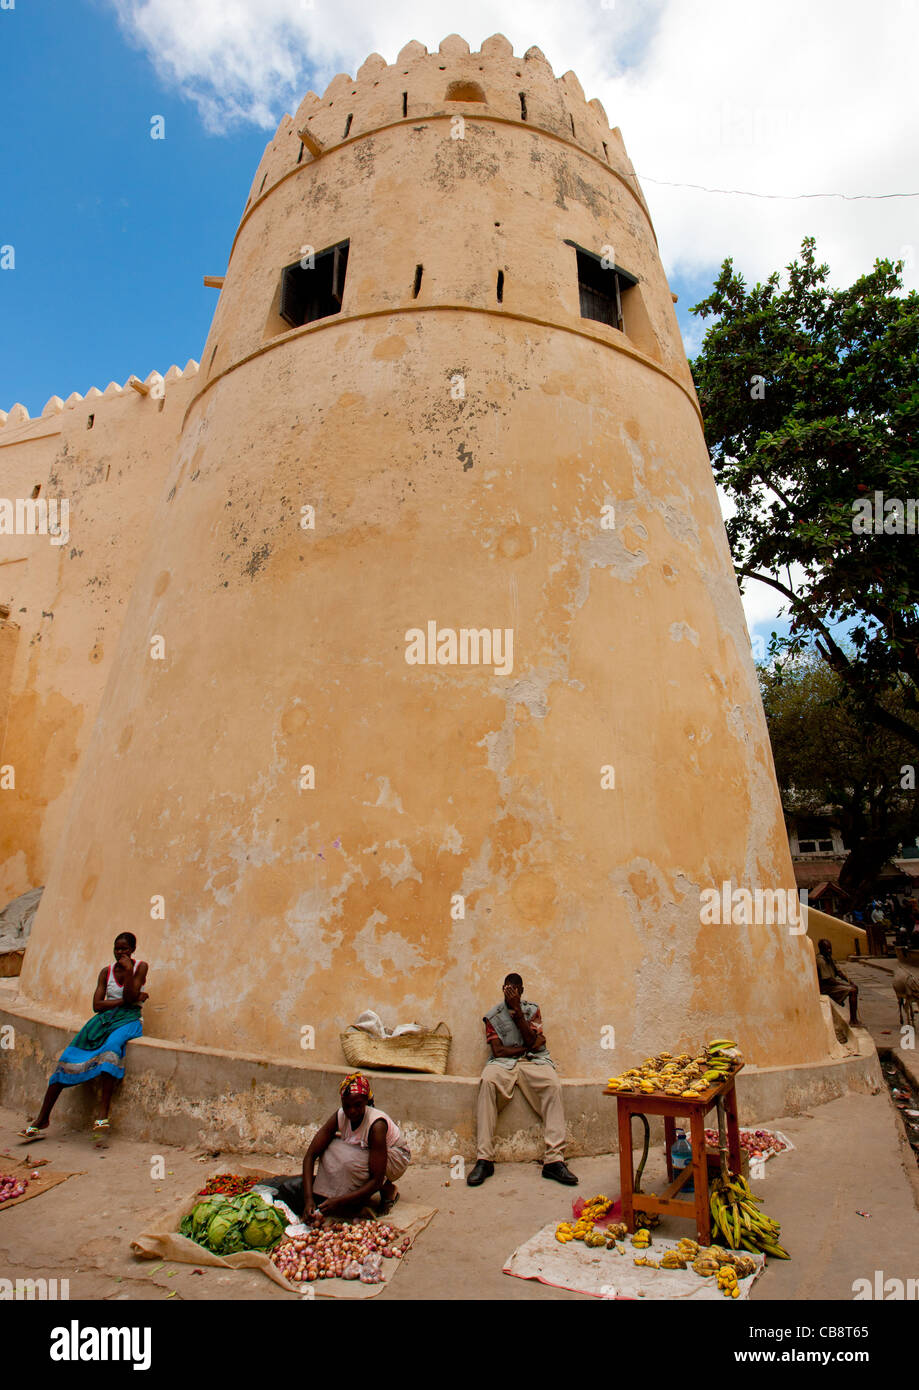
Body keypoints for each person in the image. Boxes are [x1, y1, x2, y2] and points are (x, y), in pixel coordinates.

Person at [18, 933, 148, 1138]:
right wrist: (126, 1001)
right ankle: (42, 1118)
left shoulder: (140, 967)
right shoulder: (106, 972)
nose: (120, 953)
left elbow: (131, 997)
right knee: (69, 1055)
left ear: (132, 950)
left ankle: (103, 1114)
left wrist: (130, 973)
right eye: (117, 949)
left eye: (124, 949)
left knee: (111, 1049)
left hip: (128, 1020)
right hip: (104, 1020)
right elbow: (97, 1005)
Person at [467, 972, 578, 1188]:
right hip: (504, 1063)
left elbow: (534, 1042)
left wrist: (518, 1012)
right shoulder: (493, 1016)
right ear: (503, 989)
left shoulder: (532, 1010)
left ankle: (554, 1161)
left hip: (533, 1062)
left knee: (553, 1085)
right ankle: (484, 1159)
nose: (512, 992)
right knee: (488, 1082)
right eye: (508, 988)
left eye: (516, 989)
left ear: (522, 991)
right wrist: (528, 1046)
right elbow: (499, 1051)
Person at [269, 1073, 411, 1220]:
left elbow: (375, 1179)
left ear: (366, 1102)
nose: (352, 1111)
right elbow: (311, 1155)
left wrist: (340, 1202)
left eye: (358, 1105)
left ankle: (385, 1190)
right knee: (330, 1149)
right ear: (342, 1102)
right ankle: (360, 1191)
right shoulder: (340, 1115)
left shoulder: (376, 1125)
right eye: (347, 1106)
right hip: (367, 1151)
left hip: (396, 1157)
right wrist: (308, 1199)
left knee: (350, 1161)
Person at [815, 937, 860, 1025]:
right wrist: (846, 985)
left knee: (854, 987)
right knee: (852, 991)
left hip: (831, 985)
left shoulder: (829, 958)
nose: (829, 950)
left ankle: (854, 1018)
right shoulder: (821, 961)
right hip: (826, 987)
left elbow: (838, 972)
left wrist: (850, 982)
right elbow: (828, 979)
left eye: (830, 948)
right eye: (827, 948)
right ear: (822, 949)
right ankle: (853, 1020)